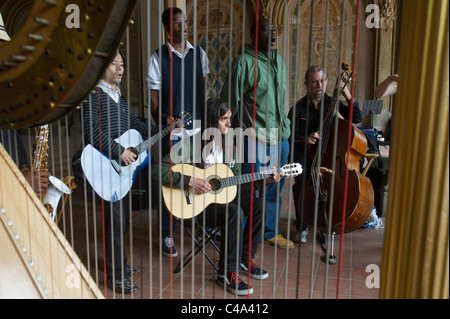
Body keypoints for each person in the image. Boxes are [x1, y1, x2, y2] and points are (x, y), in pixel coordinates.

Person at [151, 98, 281, 295]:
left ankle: (244, 259)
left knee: (259, 205)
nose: (229, 123)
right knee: (234, 212)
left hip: (221, 199)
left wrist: (265, 180)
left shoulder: (230, 148)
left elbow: (237, 185)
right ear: (211, 121)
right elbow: (156, 170)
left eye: (229, 118)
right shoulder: (192, 144)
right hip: (196, 204)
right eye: (223, 119)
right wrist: (189, 181)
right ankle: (227, 273)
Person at [80, 50, 162, 294]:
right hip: (104, 165)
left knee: (122, 221)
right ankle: (115, 277)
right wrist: (118, 151)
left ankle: (120, 266)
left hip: (120, 170)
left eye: (122, 63)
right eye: (114, 63)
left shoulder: (120, 97)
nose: (120, 67)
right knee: (114, 222)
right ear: (102, 67)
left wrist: (165, 128)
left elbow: (136, 125)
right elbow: (91, 132)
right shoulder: (92, 95)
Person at [220, 19, 293, 249]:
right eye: (265, 30)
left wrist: (286, 131)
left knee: (274, 188)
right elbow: (229, 103)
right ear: (253, 34)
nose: (272, 34)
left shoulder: (279, 62)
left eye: (274, 30)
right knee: (249, 190)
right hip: (254, 140)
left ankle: (269, 232)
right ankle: (240, 238)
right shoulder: (243, 63)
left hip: (280, 138)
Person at [147, 6, 210, 257]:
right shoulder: (157, 57)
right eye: (176, 23)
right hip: (172, 132)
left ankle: (199, 225)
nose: (182, 26)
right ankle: (167, 234)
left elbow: (201, 94)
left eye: (184, 21)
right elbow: (153, 100)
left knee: (199, 177)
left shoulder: (200, 55)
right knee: (171, 182)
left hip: (196, 130)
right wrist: (164, 121)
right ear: (166, 27)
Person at [288, 65, 363, 243]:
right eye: (314, 82)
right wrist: (305, 139)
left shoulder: (333, 102)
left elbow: (357, 117)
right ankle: (302, 225)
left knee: (329, 187)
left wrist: (347, 95)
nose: (319, 85)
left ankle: (325, 221)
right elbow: (289, 137)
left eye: (322, 81)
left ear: (327, 82)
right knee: (301, 184)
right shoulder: (297, 108)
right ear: (307, 84)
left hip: (329, 155)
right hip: (305, 154)